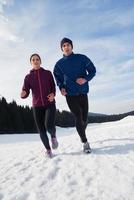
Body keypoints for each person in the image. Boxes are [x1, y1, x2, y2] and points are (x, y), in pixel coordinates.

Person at [53, 38, 96, 153]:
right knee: (78, 115)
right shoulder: (59, 64)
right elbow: (57, 77)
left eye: (68, 45)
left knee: (84, 118)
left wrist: (85, 79)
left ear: (72, 46)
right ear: (61, 48)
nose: (66, 47)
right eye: (64, 46)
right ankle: (85, 142)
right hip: (70, 94)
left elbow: (93, 71)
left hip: (82, 92)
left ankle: (81, 131)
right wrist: (61, 87)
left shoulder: (82, 58)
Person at [21, 54, 58, 158]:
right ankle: (48, 150)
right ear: (31, 63)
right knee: (41, 130)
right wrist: (23, 93)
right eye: (33, 60)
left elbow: (53, 86)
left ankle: (53, 136)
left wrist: (53, 94)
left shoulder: (47, 73)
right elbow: (26, 90)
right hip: (37, 106)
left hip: (49, 104)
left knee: (49, 125)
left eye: (37, 59)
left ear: (40, 61)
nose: (35, 61)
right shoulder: (28, 77)